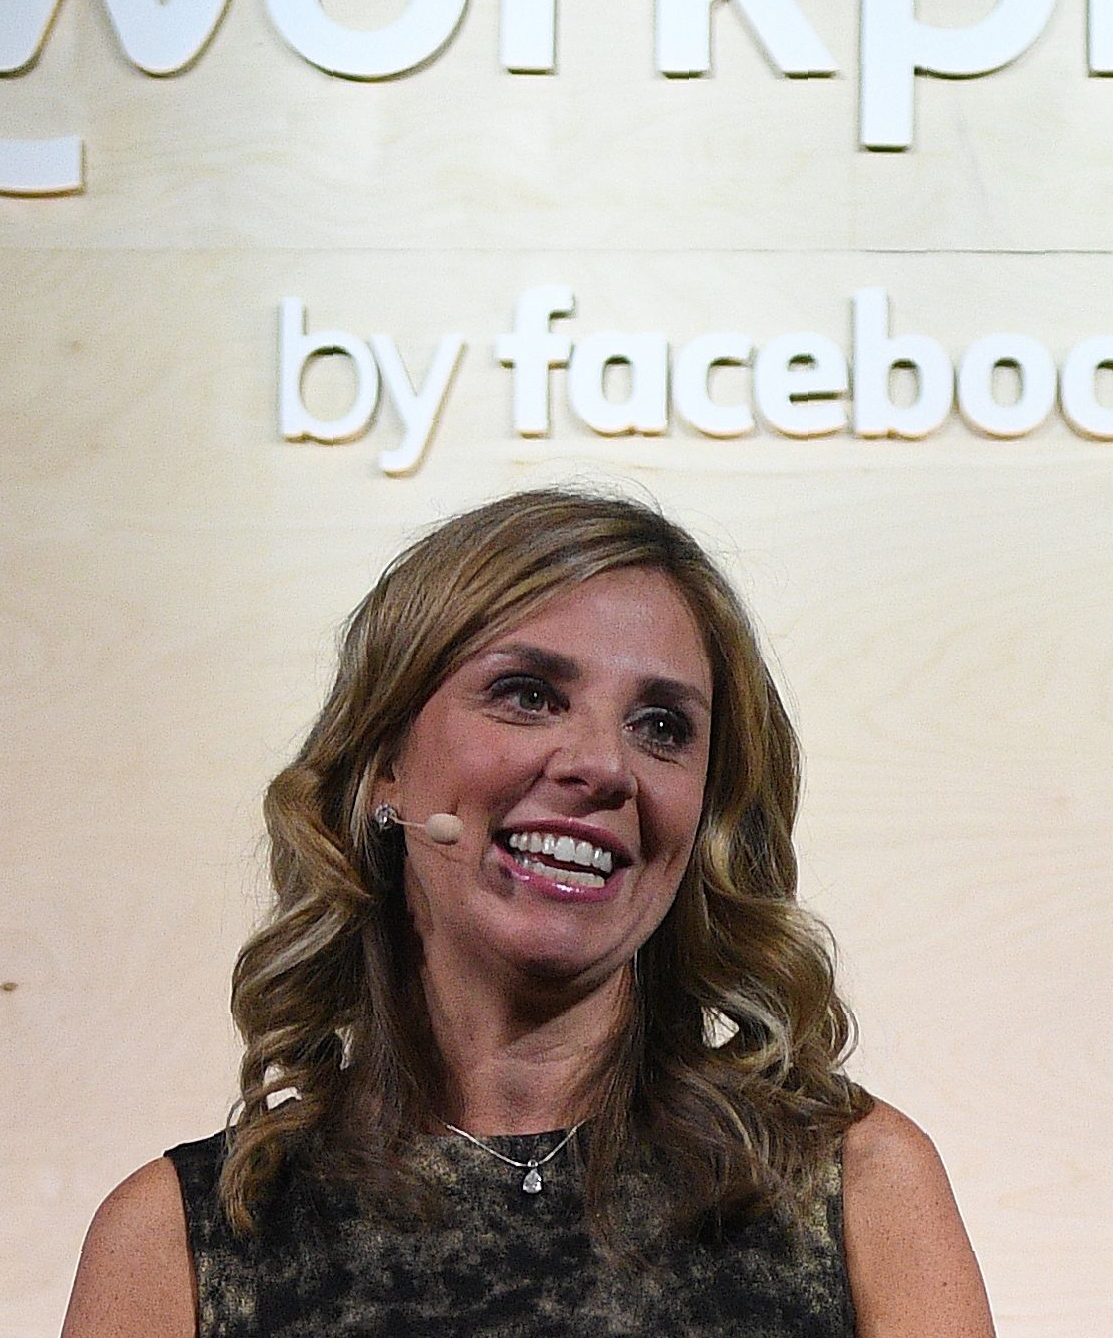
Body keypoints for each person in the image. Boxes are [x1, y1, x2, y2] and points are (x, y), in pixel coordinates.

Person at [61, 488, 994, 1336]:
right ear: (385, 762)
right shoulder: (179, 1244)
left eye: (663, 725)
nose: (602, 764)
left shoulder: (856, 1190)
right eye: (528, 695)